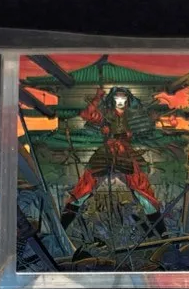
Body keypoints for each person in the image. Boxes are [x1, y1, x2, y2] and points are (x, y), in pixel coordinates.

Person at [60, 87, 165, 235]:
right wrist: (97, 98)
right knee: (83, 189)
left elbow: (145, 127)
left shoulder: (133, 114)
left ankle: (161, 233)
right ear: (113, 99)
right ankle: (61, 229)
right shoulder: (106, 113)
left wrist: (150, 122)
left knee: (143, 191)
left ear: (127, 100)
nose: (120, 101)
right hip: (106, 152)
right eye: (117, 98)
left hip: (126, 154)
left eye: (123, 98)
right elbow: (88, 115)